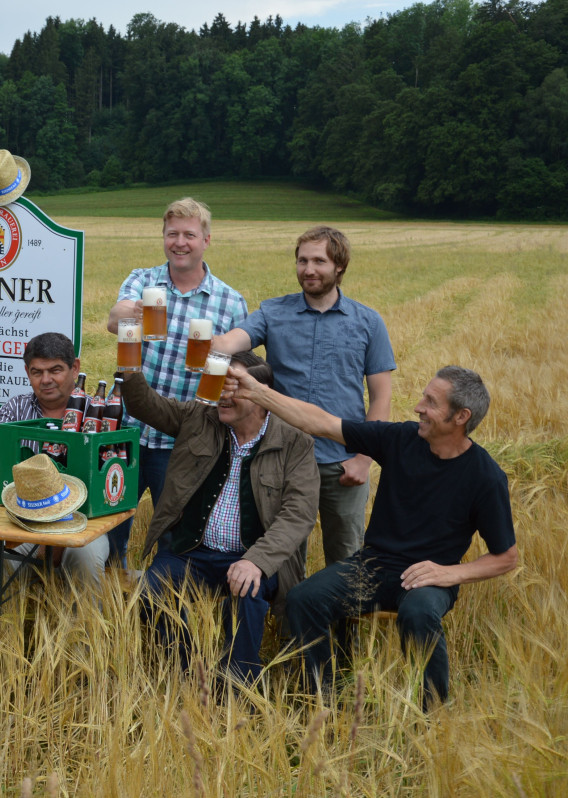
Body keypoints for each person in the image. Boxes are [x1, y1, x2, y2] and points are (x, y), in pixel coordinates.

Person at [227, 362, 518, 706]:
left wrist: (448, 573)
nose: (418, 408)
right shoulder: (400, 439)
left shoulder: (485, 476)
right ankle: (324, 702)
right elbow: (319, 422)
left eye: (430, 402)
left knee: (419, 614)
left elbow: (506, 557)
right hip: (372, 566)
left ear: (460, 417)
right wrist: (255, 390)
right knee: (304, 599)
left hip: (428, 578)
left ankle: (432, 714)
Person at [124, 352, 319, 683]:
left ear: (262, 396)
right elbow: (145, 405)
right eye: (220, 384)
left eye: (235, 386)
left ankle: (237, 680)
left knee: (247, 590)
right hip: (191, 553)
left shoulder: (294, 441)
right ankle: (185, 673)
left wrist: (257, 561)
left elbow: (298, 514)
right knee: (151, 593)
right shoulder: (198, 417)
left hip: (253, 558)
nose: (222, 394)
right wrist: (128, 359)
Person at [212, 226, 394, 566]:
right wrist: (214, 344)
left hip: (342, 461)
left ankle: (346, 620)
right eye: (302, 261)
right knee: (282, 556)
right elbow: (232, 341)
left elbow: (381, 397)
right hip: (282, 458)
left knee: (347, 558)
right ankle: (286, 620)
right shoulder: (272, 312)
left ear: (339, 266)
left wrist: (364, 459)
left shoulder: (369, 322)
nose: (308, 269)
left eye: (319, 261)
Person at [104, 197, 248, 564]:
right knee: (108, 529)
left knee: (175, 537)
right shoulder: (143, 280)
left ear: (207, 240)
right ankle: (108, 605)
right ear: (163, 237)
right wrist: (130, 312)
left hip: (184, 439)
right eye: (172, 234)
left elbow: (239, 367)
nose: (179, 243)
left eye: (189, 235)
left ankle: (160, 609)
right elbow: (114, 318)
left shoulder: (230, 302)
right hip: (129, 430)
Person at [0, 332, 109, 588]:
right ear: (27, 372)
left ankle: (83, 629)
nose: (46, 380)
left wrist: (55, 544)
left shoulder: (98, 413)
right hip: (24, 519)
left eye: (55, 370)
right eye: (37, 372)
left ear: (75, 368)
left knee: (85, 556)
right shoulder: (18, 408)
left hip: (84, 522)